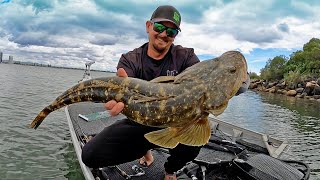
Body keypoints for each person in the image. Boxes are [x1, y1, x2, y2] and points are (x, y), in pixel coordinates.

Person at [82, 5, 250, 180]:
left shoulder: (186, 57)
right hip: (141, 122)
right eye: (160, 27)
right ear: (148, 26)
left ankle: (170, 169)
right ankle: (146, 149)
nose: (164, 34)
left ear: (175, 35)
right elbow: (124, 87)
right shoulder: (131, 59)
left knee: (194, 143)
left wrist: (243, 80)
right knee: (90, 155)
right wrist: (118, 94)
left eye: (171, 32)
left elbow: (217, 81)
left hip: (178, 122)